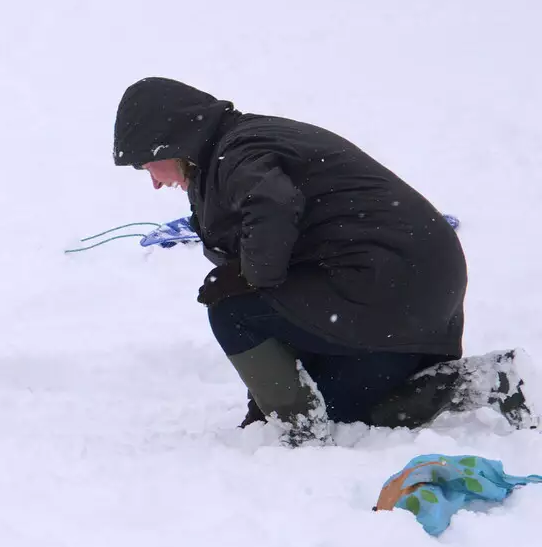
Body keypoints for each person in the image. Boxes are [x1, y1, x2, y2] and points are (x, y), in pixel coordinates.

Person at [112, 77, 532, 443]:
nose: (152, 181)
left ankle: (296, 427)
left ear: (172, 141)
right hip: (411, 294)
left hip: (383, 285)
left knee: (230, 309)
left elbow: (272, 204)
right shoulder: (235, 148)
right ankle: (483, 382)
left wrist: (250, 275)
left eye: (148, 164)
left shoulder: (239, 152)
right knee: (349, 410)